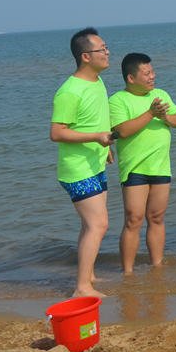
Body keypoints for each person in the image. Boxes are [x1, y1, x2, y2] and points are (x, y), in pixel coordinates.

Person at [50, 27, 114, 297]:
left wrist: (104, 146)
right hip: (77, 170)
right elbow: (57, 132)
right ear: (86, 56)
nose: (107, 52)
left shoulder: (97, 82)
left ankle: (88, 275)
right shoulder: (70, 91)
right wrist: (95, 137)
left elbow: (96, 119)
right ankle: (82, 287)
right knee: (98, 224)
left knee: (90, 225)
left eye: (106, 47)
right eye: (102, 49)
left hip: (94, 163)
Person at [109, 52, 176, 274]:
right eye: (147, 73)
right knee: (134, 219)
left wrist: (164, 117)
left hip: (160, 166)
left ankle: (157, 267)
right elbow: (122, 131)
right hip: (135, 168)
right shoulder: (117, 100)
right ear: (131, 78)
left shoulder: (160, 94)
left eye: (152, 72)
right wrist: (151, 113)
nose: (153, 76)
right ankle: (127, 272)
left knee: (157, 217)